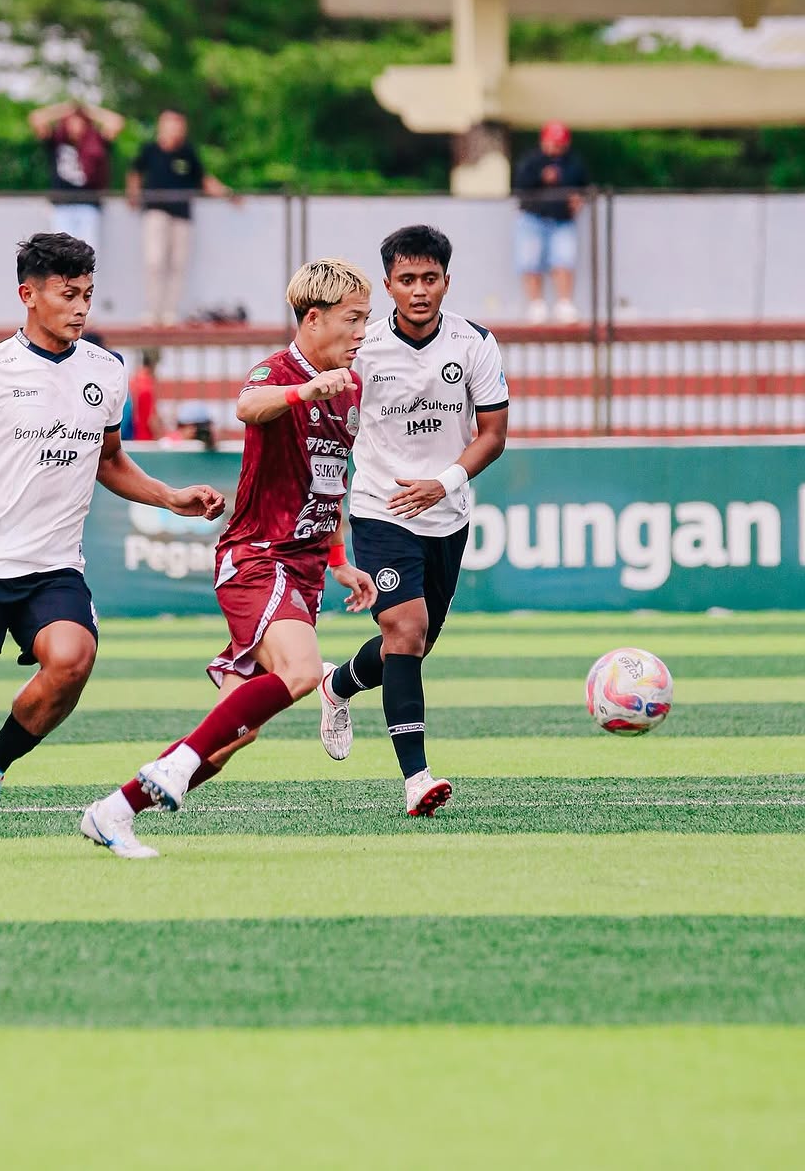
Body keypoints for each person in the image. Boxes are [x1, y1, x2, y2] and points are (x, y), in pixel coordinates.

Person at [0, 231, 224, 863]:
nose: (81, 308)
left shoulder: (105, 372)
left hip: (53, 568)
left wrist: (168, 497)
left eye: (88, 295)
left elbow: (109, 461)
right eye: (67, 294)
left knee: (73, 658)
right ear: (29, 295)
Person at [82, 257, 377, 859]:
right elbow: (248, 407)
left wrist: (339, 557)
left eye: (366, 320)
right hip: (257, 557)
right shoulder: (278, 371)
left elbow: (329, 480)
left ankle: (114, 811)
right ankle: (171, 770)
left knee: (227, 740)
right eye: (354, 319)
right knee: (301, 673)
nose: (362, 332)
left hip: (304, 569)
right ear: (314, 319)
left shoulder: (353, 387)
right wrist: (302, 389)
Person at [317, 225, 509, 815]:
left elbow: (493, 435)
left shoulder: (475, 343)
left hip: (446, 512)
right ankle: (416, 779)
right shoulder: (362, 349)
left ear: (447, 281)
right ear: (388, 285)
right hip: (380, 508)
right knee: (404, 630)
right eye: (407, 280)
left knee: (414, 644)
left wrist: (443, 483)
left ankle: (338, 683)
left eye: (430, 279)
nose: (419, 290)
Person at [127, 109, 236, 325]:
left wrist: (227, 194)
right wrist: (133, 193)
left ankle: (169, 312)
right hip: (156, 211)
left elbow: (203, 179)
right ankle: (152, 311)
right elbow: (135, 172)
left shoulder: (187, 153)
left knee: (178, 264)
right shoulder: (150, 150)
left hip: (182, 215)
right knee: (155, 261)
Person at [513, 121, 589, 324]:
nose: (556, 147)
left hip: (562, 220)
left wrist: (579, 199)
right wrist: (541, 177)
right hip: (532, 218)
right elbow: (519, 185)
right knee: (530, 262)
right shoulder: (531, 162)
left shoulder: (573, 163)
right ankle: (536, 305)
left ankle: (564, 304)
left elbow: (583, 187)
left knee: (564, 260)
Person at [29, 101, 125, 250]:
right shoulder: (56, 141)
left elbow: (117, 122)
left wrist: (88, 111)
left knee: (87, 250)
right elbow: (36, 118)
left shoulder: (96, 141)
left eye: (79, 122)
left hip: (88, 204)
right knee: (60, 252)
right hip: (62, 205)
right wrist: (64, 109)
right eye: (71, 122)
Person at [129, 347, 163, 440]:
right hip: (146, 438)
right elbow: (151, 419)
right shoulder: (147, 385)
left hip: (132, 436)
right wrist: (162, 438)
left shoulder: (134, 380)